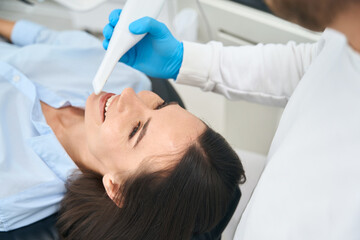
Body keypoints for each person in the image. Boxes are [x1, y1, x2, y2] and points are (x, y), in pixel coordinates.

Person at [102, 0, 360, 239]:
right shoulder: (346, 31)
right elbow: (313, 65)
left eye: (136, 130)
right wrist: (187, 60)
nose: (128, 95)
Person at [0, 18, 246, 240]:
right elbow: (49, 40)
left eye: (135, 130)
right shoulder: (132, 78)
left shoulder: (13, 192)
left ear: (116, 188)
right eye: (160, 106)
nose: (129, 95)